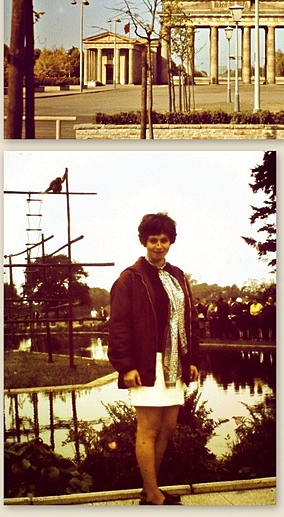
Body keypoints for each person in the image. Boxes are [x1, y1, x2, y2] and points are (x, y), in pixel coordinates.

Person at [108, 213, 200, 506]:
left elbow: (189, 321)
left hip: (175, 364)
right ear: (144, 241)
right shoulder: (130, 278)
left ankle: (151, 489)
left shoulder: (178, 276)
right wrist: (126, 366)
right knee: (147, 428)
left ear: (171, 241)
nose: (159, 246)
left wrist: (192, 359)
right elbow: (119, 325)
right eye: (153, 240)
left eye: (164, 240)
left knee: (168, 427)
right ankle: (153, 494)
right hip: (147, 364)